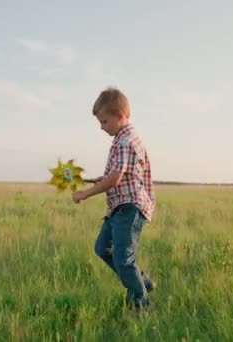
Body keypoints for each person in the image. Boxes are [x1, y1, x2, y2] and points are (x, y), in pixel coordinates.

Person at [71, 86, 156, 310]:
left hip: (129, 207)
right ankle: (142, 280)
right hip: (118, 207)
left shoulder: (126, 141)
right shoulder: (122, 138)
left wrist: (85, 194)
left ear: (120, 116)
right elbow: (119, 173)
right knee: (102, 248)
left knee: (123, 259)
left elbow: (116, 178)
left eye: (104, 121)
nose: (101, 127)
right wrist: (99, 180)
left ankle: (141, 304)